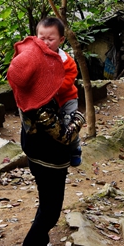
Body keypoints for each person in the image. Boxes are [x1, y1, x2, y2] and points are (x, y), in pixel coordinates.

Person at [6, 32, 86, 246]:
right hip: (48, 158)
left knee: (46, 204)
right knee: (50, 211)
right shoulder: (41, 105)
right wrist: (79, 119)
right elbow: (63, 135)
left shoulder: (28, 90)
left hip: (36, 151)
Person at [36, 17, 82, 166]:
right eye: (42, 38)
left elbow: (67, 82)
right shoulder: (34, 57)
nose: (46, 42)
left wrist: (49, 87)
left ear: (61, 40)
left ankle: (75, 149)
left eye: (50, 39)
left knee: (69, 125)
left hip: (67, 98)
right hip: (46, 100)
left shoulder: (67, 61)